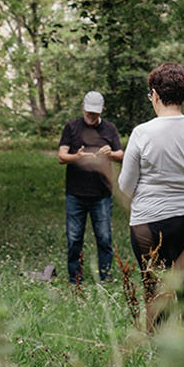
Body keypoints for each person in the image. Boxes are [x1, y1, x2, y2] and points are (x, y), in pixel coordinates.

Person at [117, 62, 184, 328]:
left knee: (155, 289)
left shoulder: (142, 133)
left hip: (149, 221)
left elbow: (125, 186)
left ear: (155, 95)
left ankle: (160, 352)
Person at [56, 90, 124, 285]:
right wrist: (77, 157)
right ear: (83, 108)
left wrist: (109, 154)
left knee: (104, 238)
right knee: (74, 238)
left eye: (95, 113)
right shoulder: (71, 127)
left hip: (101, 193)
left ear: (102, 110)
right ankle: (75, 278)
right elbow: (61, 156)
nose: (92, 116)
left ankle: (105, 277)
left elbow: (121, 154)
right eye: (89, 112)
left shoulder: (109, 129)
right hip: (76, 193)